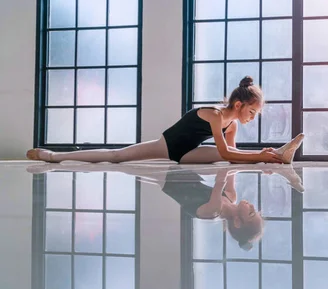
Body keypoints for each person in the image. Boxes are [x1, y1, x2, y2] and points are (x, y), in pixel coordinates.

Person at [26, 76, 304, 164]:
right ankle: (51, 155)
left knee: (225, 159)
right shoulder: (216, 115)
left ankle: (278, 154)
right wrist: (260, 156)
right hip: (167, 146)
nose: (252, 119)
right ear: (240, 104)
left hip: (186, 155)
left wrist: (262, 154)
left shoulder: (231, 123)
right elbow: (223, 150)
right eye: (252, 113)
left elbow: (230, 155)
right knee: (116, 156)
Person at [27, 163, 304, 251]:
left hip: (163, 180)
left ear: (238, 223)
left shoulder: (215, 212)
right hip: (174, 172)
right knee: (123, 162)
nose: (251, 204)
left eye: (251, 211)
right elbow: (230, 172)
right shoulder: (229, 201)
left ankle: (77, 166)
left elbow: (222, 176)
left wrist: (236, 163)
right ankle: (84, 163)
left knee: (121, 167)